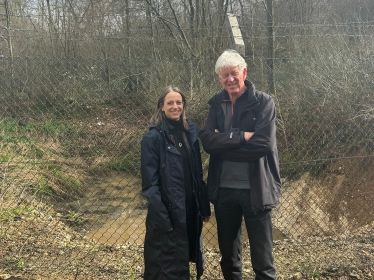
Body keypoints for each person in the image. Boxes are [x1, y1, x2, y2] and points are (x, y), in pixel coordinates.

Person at [198, 49, 281, 280]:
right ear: (218, 78)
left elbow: (264, 144)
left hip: (257, 189)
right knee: (229, 257)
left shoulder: (263, 102)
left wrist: (223, 145)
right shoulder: (216, 103)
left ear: (244, 72)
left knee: (262, 258)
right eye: (224, 75)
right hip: (224, 191)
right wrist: (241, 137)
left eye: (234, 73)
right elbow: (207, 141)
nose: (230, 79)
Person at [141, 86, 211, 280]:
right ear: (161, 107)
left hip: (189, 212)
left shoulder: (190, 133)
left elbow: (197, 174)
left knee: (184, 263)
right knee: (165, 267)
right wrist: (164, 219)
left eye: (178, 102)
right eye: (170, 103)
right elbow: (150, 185)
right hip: (168, 217)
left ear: (183, 105)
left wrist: (203, 206)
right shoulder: (152, 138)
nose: (175, 106)